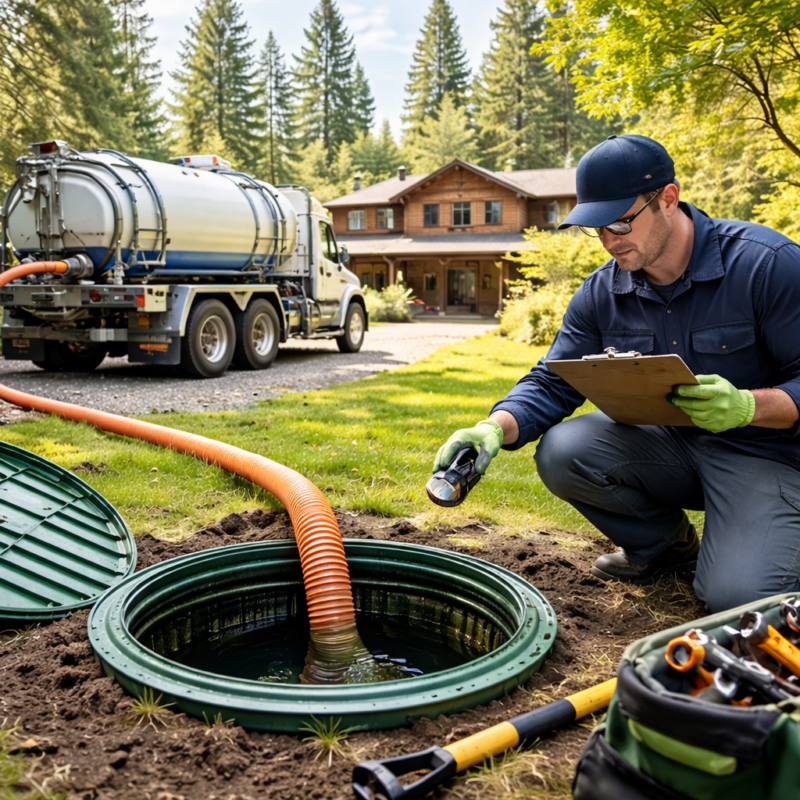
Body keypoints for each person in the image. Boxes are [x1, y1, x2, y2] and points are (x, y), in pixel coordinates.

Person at [434, 134, 800, 613]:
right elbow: (553, 379)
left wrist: (751, 405)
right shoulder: (601, 292)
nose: (609, 241)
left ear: (667, 199)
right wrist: (493, 428)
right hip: (671, 449)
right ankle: (665, 547)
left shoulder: (766, 265)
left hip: (765, 454)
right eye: (597, 228)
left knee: (735, 600)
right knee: (565, 449)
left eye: (621, 223)